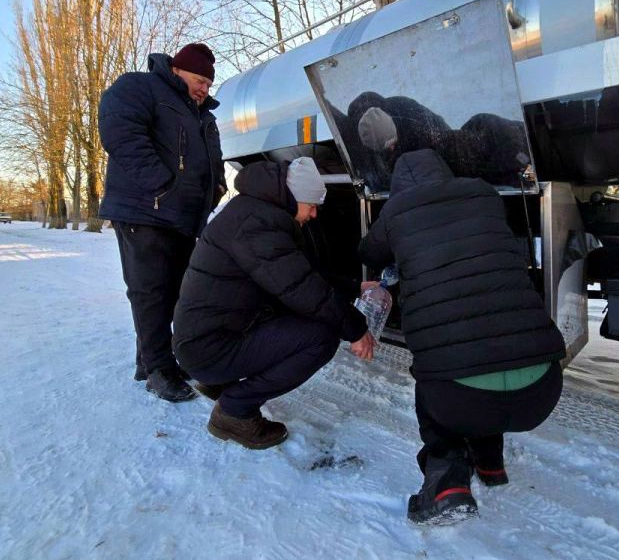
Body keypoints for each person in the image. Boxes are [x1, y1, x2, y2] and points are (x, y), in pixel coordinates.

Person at [358, 148, 566, 525]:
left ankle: (446, 485)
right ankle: (490, 464)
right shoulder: (483, 194)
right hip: (543, 388)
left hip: (461, 400)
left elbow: (368, 252)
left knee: (437, 375)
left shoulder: (396, 210)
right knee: (488, 344)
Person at [172, 157, 374, 449]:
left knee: (300, 315)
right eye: (311, 205)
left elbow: (302, 273)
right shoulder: (258, 226)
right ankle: (234, 411)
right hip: (207, 350)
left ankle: (220, 382)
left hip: (207, 338)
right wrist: (355, 329)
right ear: (293, 198)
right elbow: (302, 289)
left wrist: (355, 287)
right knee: (321, 338)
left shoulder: (256, 212)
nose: (314, 214)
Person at [99, 43, 226, 402]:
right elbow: (121, 134)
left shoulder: (203, 115)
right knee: (150, 292)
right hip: (145, 210)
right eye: (200, 80)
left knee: (174, 291)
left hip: (183, 216)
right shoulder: (140, 87)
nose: (204, 89)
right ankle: (158, 370)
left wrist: (216, 189)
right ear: (177, 70)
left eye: (208, 83)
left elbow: (213, 161)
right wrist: (162, 184)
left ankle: (153, 361)